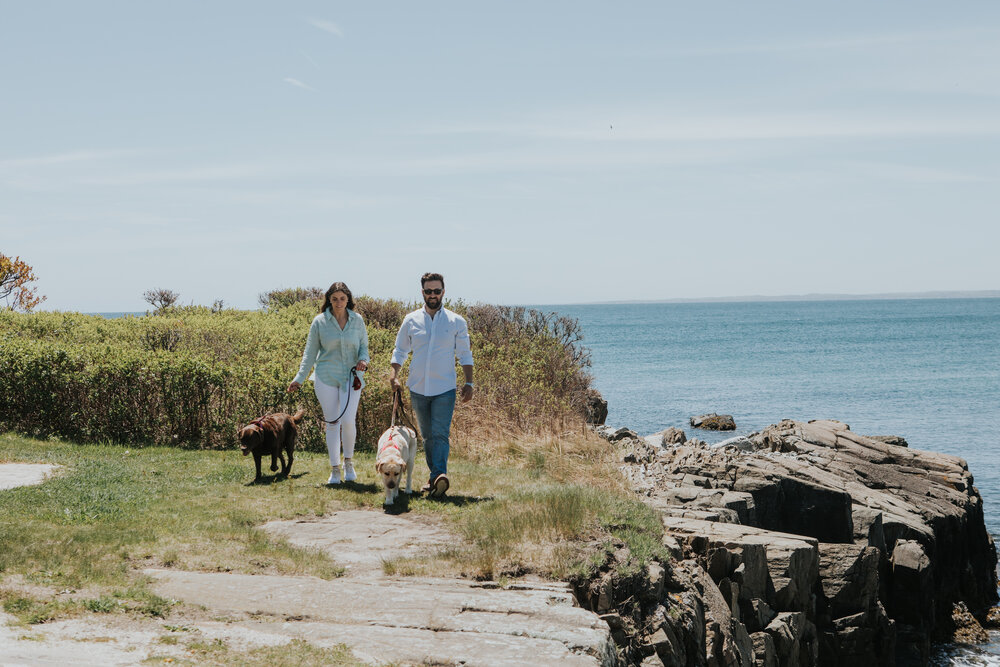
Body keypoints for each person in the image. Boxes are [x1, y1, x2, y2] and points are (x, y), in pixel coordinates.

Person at [389, 272, 473, 497]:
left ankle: (439, 474)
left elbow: (465, 354)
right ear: (422, 293)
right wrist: (394, 375)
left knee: (440, 433)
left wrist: (469, 382)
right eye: (429, 291)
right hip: (417, 387)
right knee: (426, 436)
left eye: (437, 291)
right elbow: (400, 350)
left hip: (444, 389)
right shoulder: (411, 319)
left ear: (443, 292)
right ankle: (434, 478)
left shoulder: (456, 321)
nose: (433, 295)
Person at [288, 282, 369, 485]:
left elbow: (364, 348)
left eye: (342, 298)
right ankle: (334, 469)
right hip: (325, 377)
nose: (339, 302)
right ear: (329, 300)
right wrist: (299, 379)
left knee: (348, 420)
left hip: (352, 378)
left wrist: (363, 361)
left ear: (348, 299)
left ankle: (348, 463)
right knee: (332, 422)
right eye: (335, 299)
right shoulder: (319, 322)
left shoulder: (357, 321)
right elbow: (310, 354)